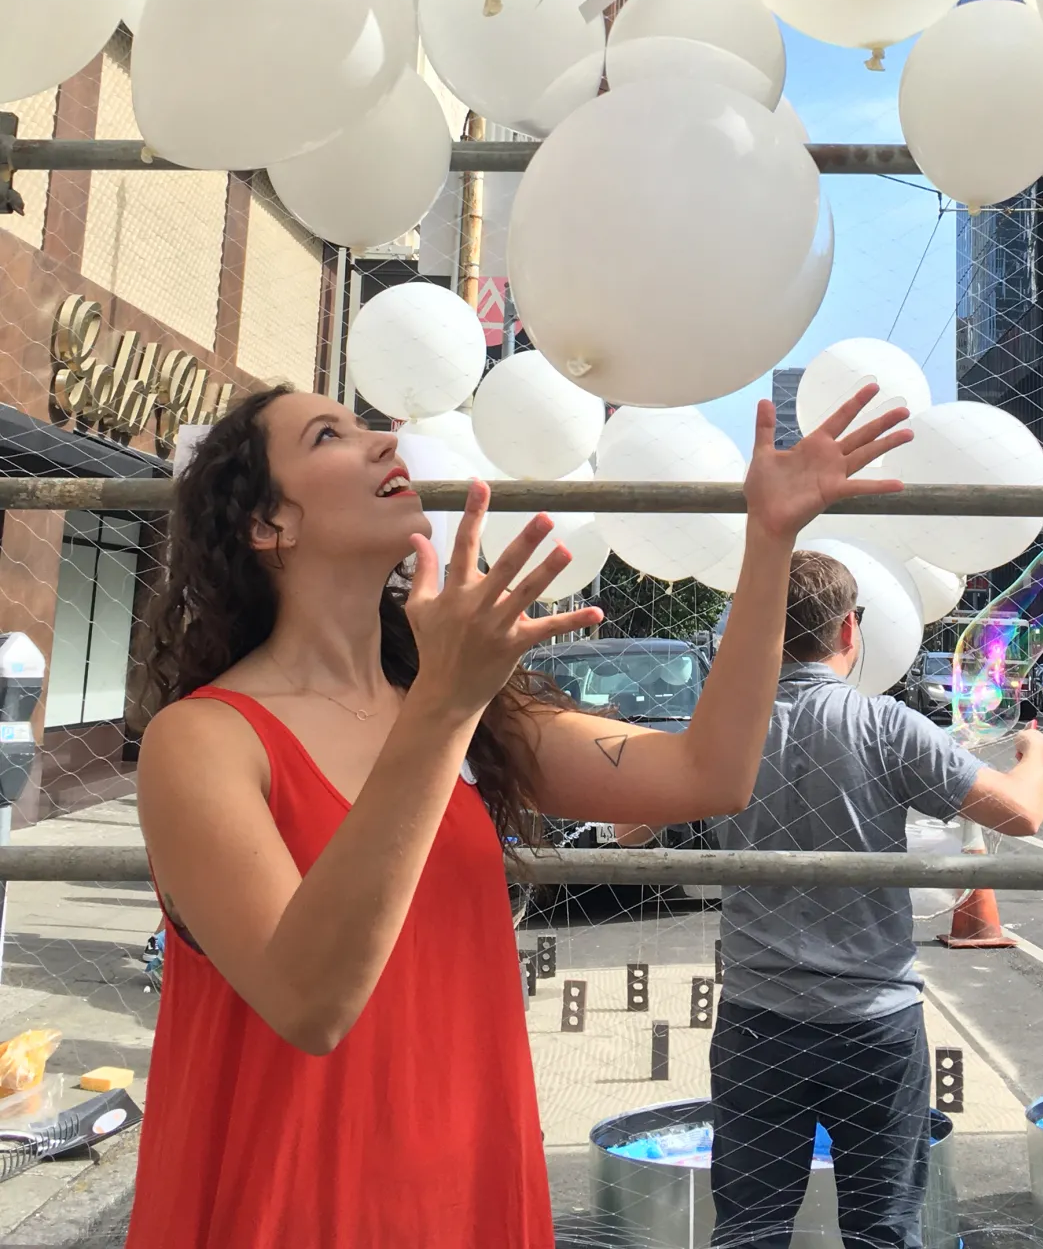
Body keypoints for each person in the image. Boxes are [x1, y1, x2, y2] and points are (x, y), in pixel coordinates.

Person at [125, 380, 908, 1249]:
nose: (386, 441)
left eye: (370, 425)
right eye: (328, 436)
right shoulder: (200, 741)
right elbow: (310, 1001)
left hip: (465, 1182)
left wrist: (769, 542)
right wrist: (445, 704)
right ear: (268, 525)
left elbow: (708, 773)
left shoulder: (460, 705)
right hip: (291, 1200)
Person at [623, 548, 1043, 1249]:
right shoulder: (884, 724)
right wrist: (1038, 757)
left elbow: (629, 827)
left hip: (758, 1020)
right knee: (883, 1230)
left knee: (750, 1229)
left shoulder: (724, 730)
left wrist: (665, 745)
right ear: (850, 633)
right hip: (873, 1019)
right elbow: (1019, 814)